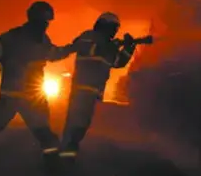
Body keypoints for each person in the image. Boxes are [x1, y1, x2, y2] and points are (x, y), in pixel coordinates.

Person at [0, 1, 73, 168]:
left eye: (47, 22)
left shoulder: (42, 40)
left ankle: (52, 162)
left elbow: (54, 54)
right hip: (13, 95)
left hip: (31, 96)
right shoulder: (14, 36)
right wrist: (4, 58)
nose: (45, 25)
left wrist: (72, 48)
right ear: (34, 19)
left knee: (43, 131)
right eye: (44, 21)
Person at [59, 12, 151, 162]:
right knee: (77, 125)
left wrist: (128, 47)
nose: (114, 32)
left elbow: (117, 62)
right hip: (85, 90)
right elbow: (95, 50)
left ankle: (65, 155)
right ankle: (65, 157)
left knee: (77, 124)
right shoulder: (94, 39)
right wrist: (115, 46)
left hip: (88, 91)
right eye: (113, 28)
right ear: (105, 26)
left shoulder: (103, 44)